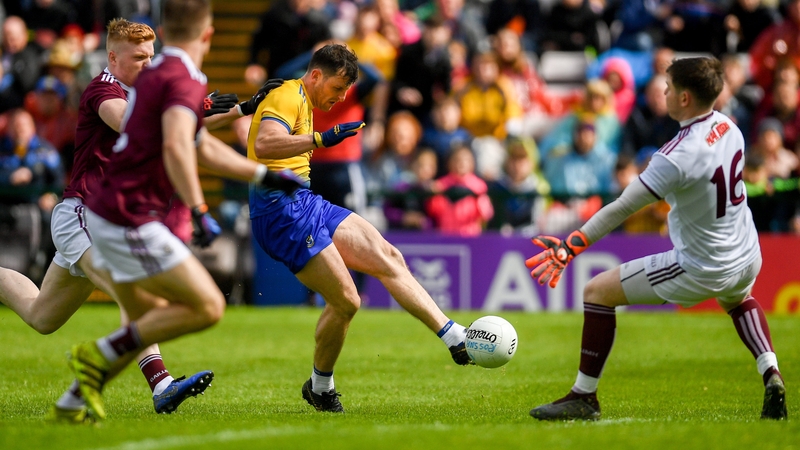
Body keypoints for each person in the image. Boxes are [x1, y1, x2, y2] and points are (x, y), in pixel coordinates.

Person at [62, 0, 303, 422]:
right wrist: (199, 206)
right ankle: (105, 362)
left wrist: (258, 168)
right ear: (208, 36)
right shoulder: (179, 78)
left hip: (110, 210)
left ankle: (73, 400)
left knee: (98, 313)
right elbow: (180, 143)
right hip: (125, 213)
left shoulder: (153, 78)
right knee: (205, 306)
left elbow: (189, 138)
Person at [525, 57, 787, 421]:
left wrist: (570, 246)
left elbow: (620, 208)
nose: (662, 91)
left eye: (667, 86)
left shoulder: (675, 157)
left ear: (683, 98)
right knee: (739, 298)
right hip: (745, 253)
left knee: (597, 292)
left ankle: (583, 396)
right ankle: (771, 372)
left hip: (703, 264)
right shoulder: (730, 127)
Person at [247, 43, 474, 414]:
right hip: (279, 214)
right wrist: (321, 139)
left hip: (304, 201)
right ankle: (321, 386)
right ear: (316, 75)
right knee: (347, 301)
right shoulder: (288, 94)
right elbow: (264, 143)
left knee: (388, 255)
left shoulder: (304, 98)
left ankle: (454, 338)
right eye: (337, 89)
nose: (339, 98)